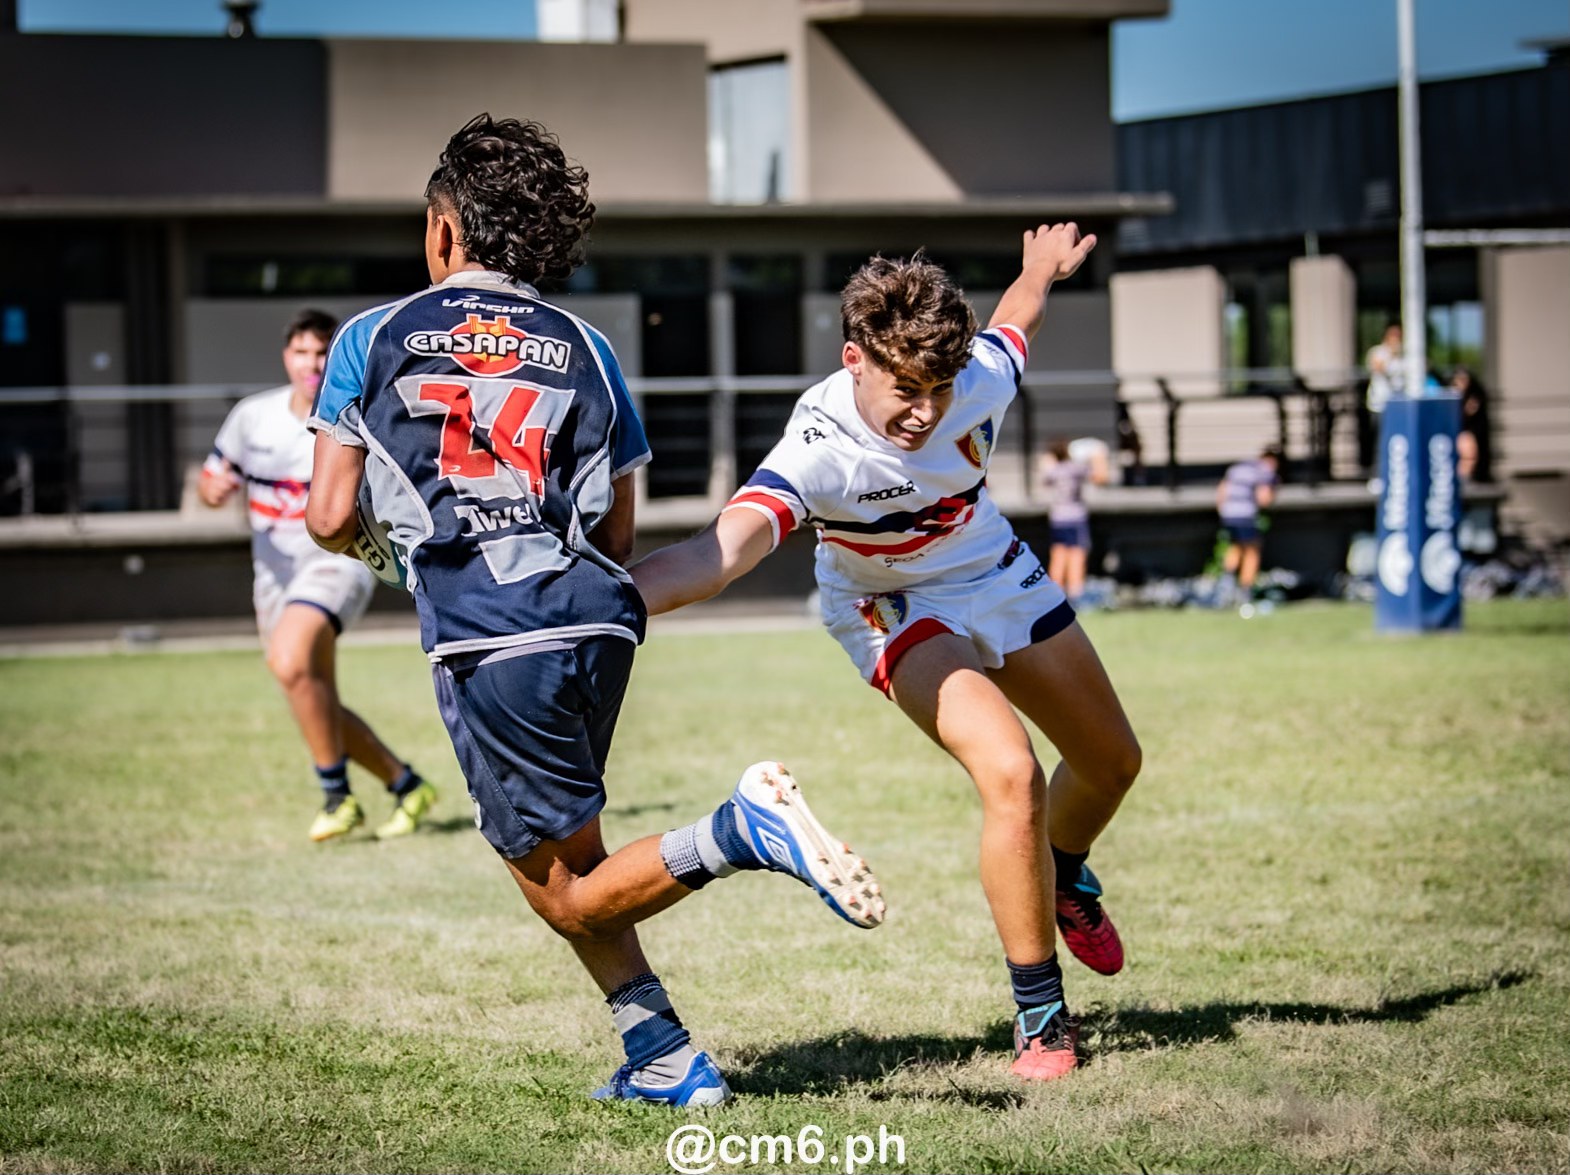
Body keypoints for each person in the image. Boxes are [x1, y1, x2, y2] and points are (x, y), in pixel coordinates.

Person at [304, 114, 884, 1108]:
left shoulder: (371, 335)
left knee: (560, 886)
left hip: (492, 630)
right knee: (566, 862)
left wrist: (395, 553)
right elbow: (616, 532)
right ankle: (662, 1055)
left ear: (443, 229)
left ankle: (741, 831)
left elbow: (323, 515)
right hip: (597, 617)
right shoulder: (587, 347)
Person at [631, 224, 1142, 1083]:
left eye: (939, 389)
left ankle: (1063, 870)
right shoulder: (818, 447)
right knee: (1013, 772)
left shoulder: (972, 378)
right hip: (890, 603)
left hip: (994, 569)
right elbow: (725, 548)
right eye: (905, 388)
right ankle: (1041, 1014)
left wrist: (1037, 270)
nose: (925, 411)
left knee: (1113, 761)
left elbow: (1018, 321)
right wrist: (613, 599)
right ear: (855, 357)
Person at [198, 309, 437, 842]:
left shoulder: (358, 414)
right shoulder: (251, 416)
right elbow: (214, 478)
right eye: (301, 352)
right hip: (273, 575)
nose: (312, 363)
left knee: (290, 661)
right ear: (286, 356)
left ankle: (336, 795)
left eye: (322, 353)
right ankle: (405, 784)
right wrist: (210, 491)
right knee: (308, 689)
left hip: (338, 562)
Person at [1038, 436, 1108, 607]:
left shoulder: (1054, 471)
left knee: (1058, 554)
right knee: (1077, 554)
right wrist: (1098, 457)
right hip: (1075, 517)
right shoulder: (1075, 469)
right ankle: (1076, 593)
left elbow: (1044, 477)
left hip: (1057, 517)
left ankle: (1055, 594)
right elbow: (1100, 478)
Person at [1215, 444, 1281, 606]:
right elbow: (1263, 499)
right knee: (1252, 551)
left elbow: (1222, 491)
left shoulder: (1237, 468)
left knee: (1235, 547)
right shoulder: (1265, 471)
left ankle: (1226, 584)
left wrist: (1223, 511)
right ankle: (1246, 591)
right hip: (1246, 515)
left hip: (1229, 514)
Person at [1361, 323, 1405, 471]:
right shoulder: (1378, 352)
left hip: (1400, 404)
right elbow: (1378, 367)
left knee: (1397, 441)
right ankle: (1379, 473)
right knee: (1380, 440)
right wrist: (1391, 355)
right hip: (1380, 405)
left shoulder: (1405, 356)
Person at [1451, 366, 1493, 484]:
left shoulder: (1475, 394)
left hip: (1475, 429)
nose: (1461, 383)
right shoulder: (1457, 396)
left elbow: (1470, 411)